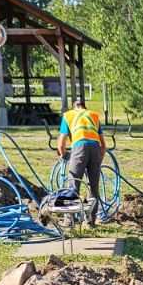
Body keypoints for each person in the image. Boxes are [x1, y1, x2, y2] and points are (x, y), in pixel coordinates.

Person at [57, 95, 106, 224]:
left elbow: (61, 143)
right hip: (95, 148)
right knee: (94, 187)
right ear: (85, 106)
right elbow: (103, 145)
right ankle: (90, 221)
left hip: (79, 147)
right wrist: (98, 160)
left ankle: (69, 221)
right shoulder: (93, 115)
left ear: (74, 106)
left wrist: (63, 155)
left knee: (73, 184)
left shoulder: (68, 115)